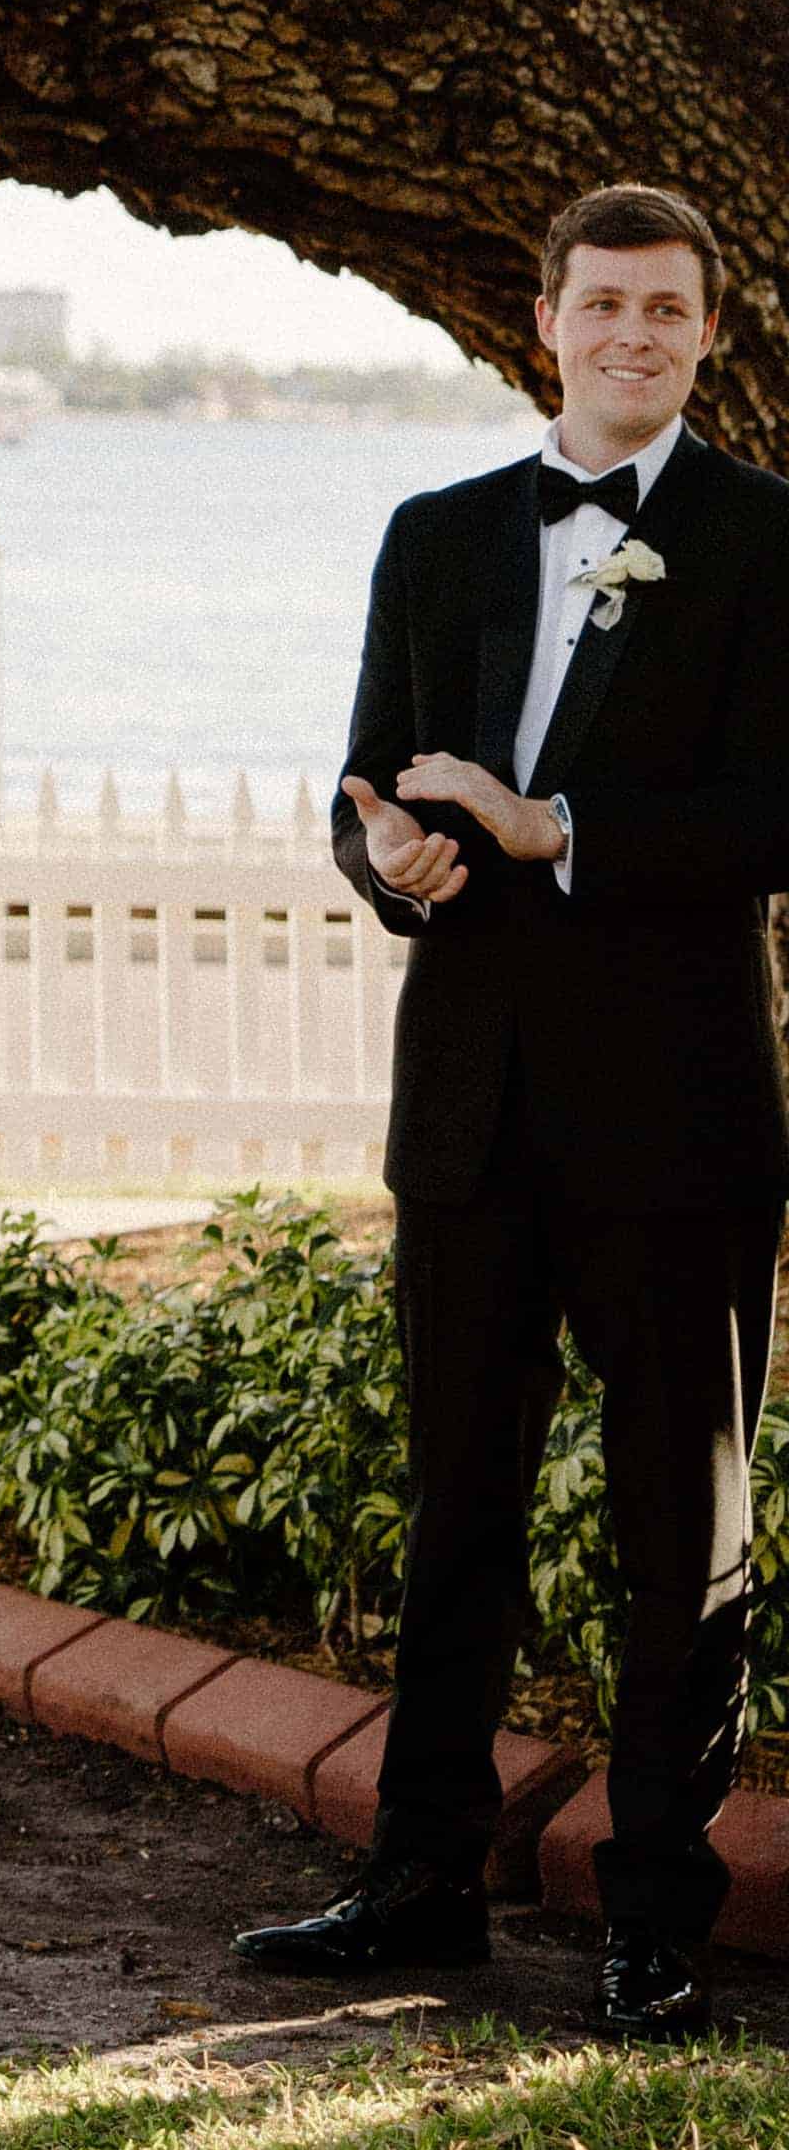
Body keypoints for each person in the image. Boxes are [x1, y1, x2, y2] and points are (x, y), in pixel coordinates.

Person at [237, 181, 789, 2043]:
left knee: (681, 1527)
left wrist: (562, 831)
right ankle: (417, 1885)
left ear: (706, 333)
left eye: (670, 310)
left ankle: (655, 1911)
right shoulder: (440, 533)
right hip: (468, 1104)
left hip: (683, 1113)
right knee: (453, 1498)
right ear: (542, 318)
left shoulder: (766, 543)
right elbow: (362, 772)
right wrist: (388, 855)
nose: (635, 335)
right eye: (604, 304)